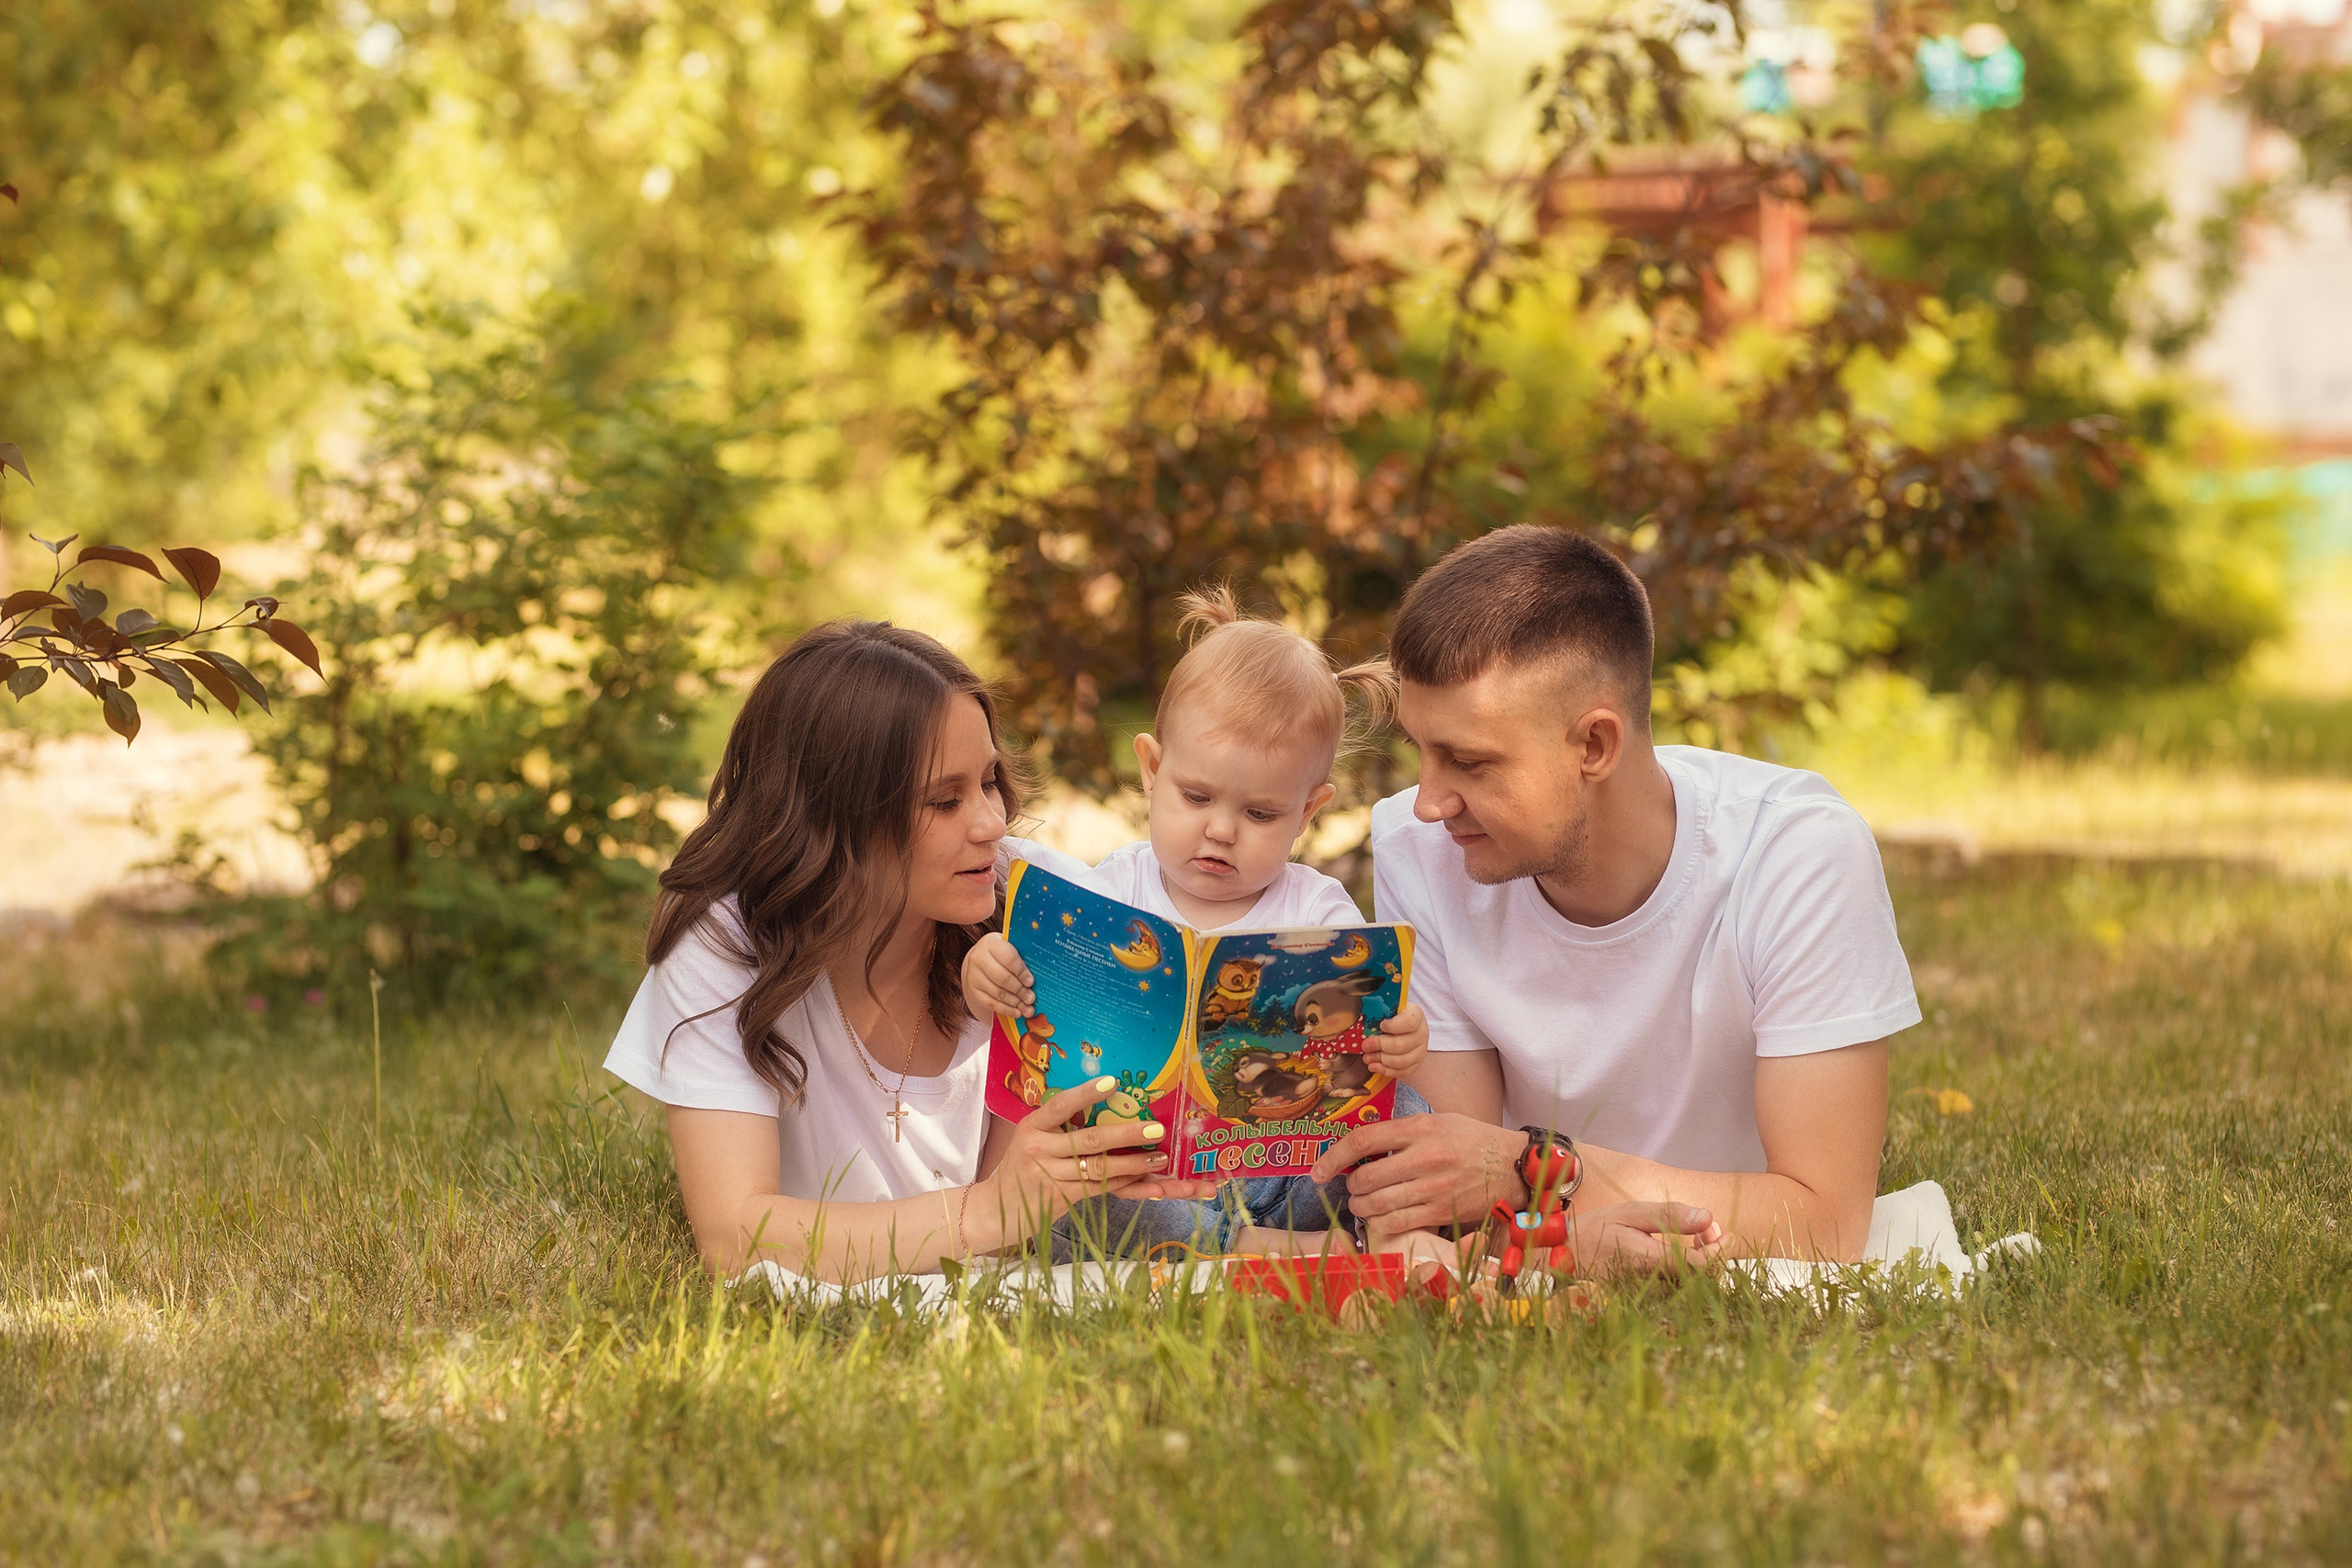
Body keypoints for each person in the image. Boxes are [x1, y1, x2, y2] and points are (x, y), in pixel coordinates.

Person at [1310, 525, 1917, 1269]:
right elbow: (1445, 1204)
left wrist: (1531, 1172)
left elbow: (1825, 1224)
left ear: (1595, 745)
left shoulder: (1797, 855)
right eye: (1422, 751)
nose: (1431, 801)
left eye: (1468, 761)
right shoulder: (1421, 848)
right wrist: (1562, 1238)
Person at [602, 621, 1170, 1283]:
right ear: (831, 815)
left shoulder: (1038, 904)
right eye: (944, 799)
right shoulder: (729, 935)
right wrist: (989, 1211)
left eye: (989, 781)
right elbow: (733, 1236)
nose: (991, 823)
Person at [960, 586, 1431, 1251]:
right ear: (1152, 770)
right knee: (1077, 1186)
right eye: (1197, 795)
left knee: (1408, 1114)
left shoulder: (1320, 911)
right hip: (1151, 1175)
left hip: (1295, 1170)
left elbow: (1372, 1043)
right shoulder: (1106, 892)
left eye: (1260, 814)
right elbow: (1036, 993)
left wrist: (1399, 1041)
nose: (1220, 830)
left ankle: (1372, 1233)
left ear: (1307, 812)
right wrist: (989, 973)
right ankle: (1249, 1248)